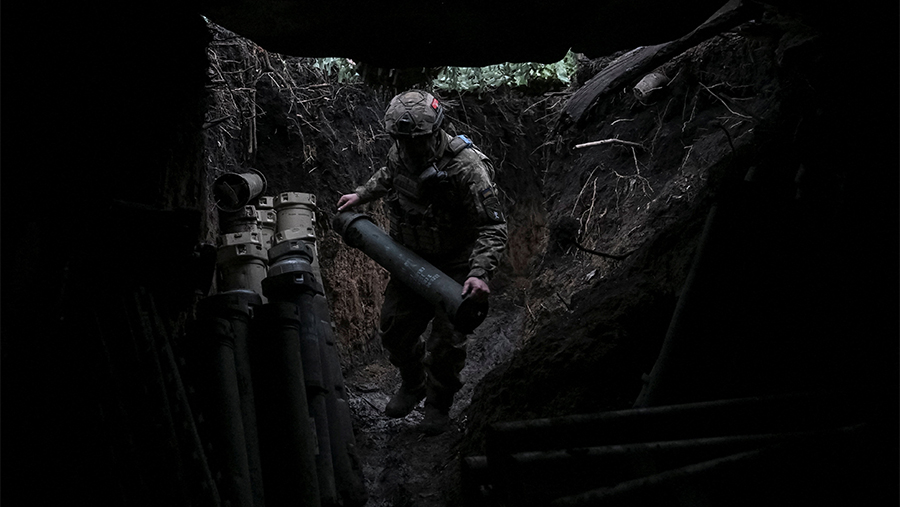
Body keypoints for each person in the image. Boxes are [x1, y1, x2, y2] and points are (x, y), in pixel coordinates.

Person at [337, 89, 507, 435]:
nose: (409, 147)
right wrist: (362, 194)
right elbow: (389, 173)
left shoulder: (466, 167)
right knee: (394, 329)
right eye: (401, 140)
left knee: (446, 346)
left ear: (435, 131)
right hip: (412, 260)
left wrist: (479, 273)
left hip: (456, 266)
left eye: (416, 140)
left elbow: (493, 226)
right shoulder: (401, 151)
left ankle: (438, 404)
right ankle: (413, 383)